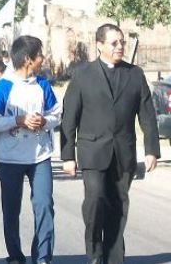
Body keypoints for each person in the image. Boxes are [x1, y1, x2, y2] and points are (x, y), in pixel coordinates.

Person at [60, 24, 160, 264]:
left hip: (123, 152)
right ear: (100, 45)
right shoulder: (83, 75)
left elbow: (147, 114)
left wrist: (151, 150)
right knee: (95, 200)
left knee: (118, 205)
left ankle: (115, 257)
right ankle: (94, 252)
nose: (119, 47)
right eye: (114, 43)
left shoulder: (134, 74)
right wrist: (67, 156)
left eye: (122, 42)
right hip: (92, 151)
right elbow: (69, 116)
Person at [0, 35, 60, 264]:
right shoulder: (3, 87)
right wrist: (17, 121)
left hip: (40, 157)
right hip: (10, 160)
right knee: (11, 210)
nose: (43, 59)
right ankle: (15, 256)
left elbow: (57, 114)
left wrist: (44, 121)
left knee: (44, 206)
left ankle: (43, 257)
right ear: (28, 59)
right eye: (40, 55)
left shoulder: (43, 85)